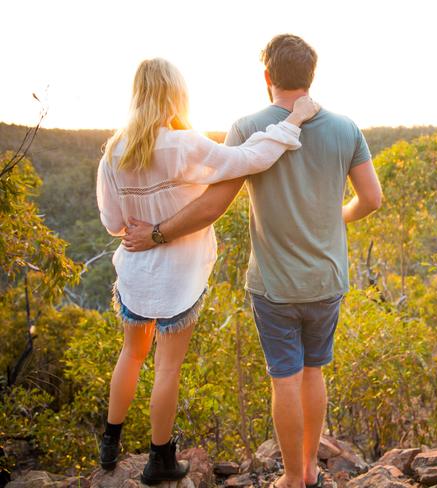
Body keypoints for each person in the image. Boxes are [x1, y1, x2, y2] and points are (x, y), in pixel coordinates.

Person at [123, 35, 382, 488]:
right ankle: (309, 472)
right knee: (314, 371)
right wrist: (337, 216)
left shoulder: (246, 128)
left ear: (267, 77)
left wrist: (157, 234)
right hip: (327, 279)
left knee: (285, 380)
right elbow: (372, 199)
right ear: (311, 76)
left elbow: (211, 206)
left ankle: (291, 479)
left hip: (275, 286)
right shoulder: (347, 129)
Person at [96, 57, 319, 485]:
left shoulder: (115, 150)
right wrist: (293, 122)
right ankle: (159, 459)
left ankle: (110, 442)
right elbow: (249, 159)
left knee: (131, 354)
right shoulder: (183, 144)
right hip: (178, 276)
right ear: (174, 94)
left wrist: (140, 225)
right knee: (167, 368)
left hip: (136, 275)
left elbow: (111, 222)